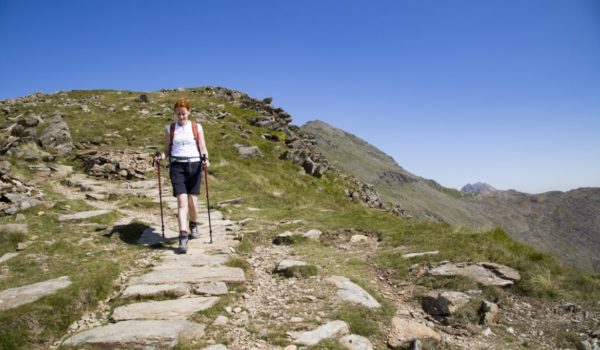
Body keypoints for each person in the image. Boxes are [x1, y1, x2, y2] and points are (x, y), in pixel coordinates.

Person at [154, 98, 209, 253]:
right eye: (178, 114)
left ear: (189, 112)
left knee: (193, 202)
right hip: (177, 166)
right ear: (175, 114)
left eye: (183, 114)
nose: (181, 117)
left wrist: (206, 159)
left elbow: (203, 148)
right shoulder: (170, 129)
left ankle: (193, 224)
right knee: (182, 202)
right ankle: (183, 235)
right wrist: (161, 156)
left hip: (195, 165)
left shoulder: (197, 127)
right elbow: (166, 150)